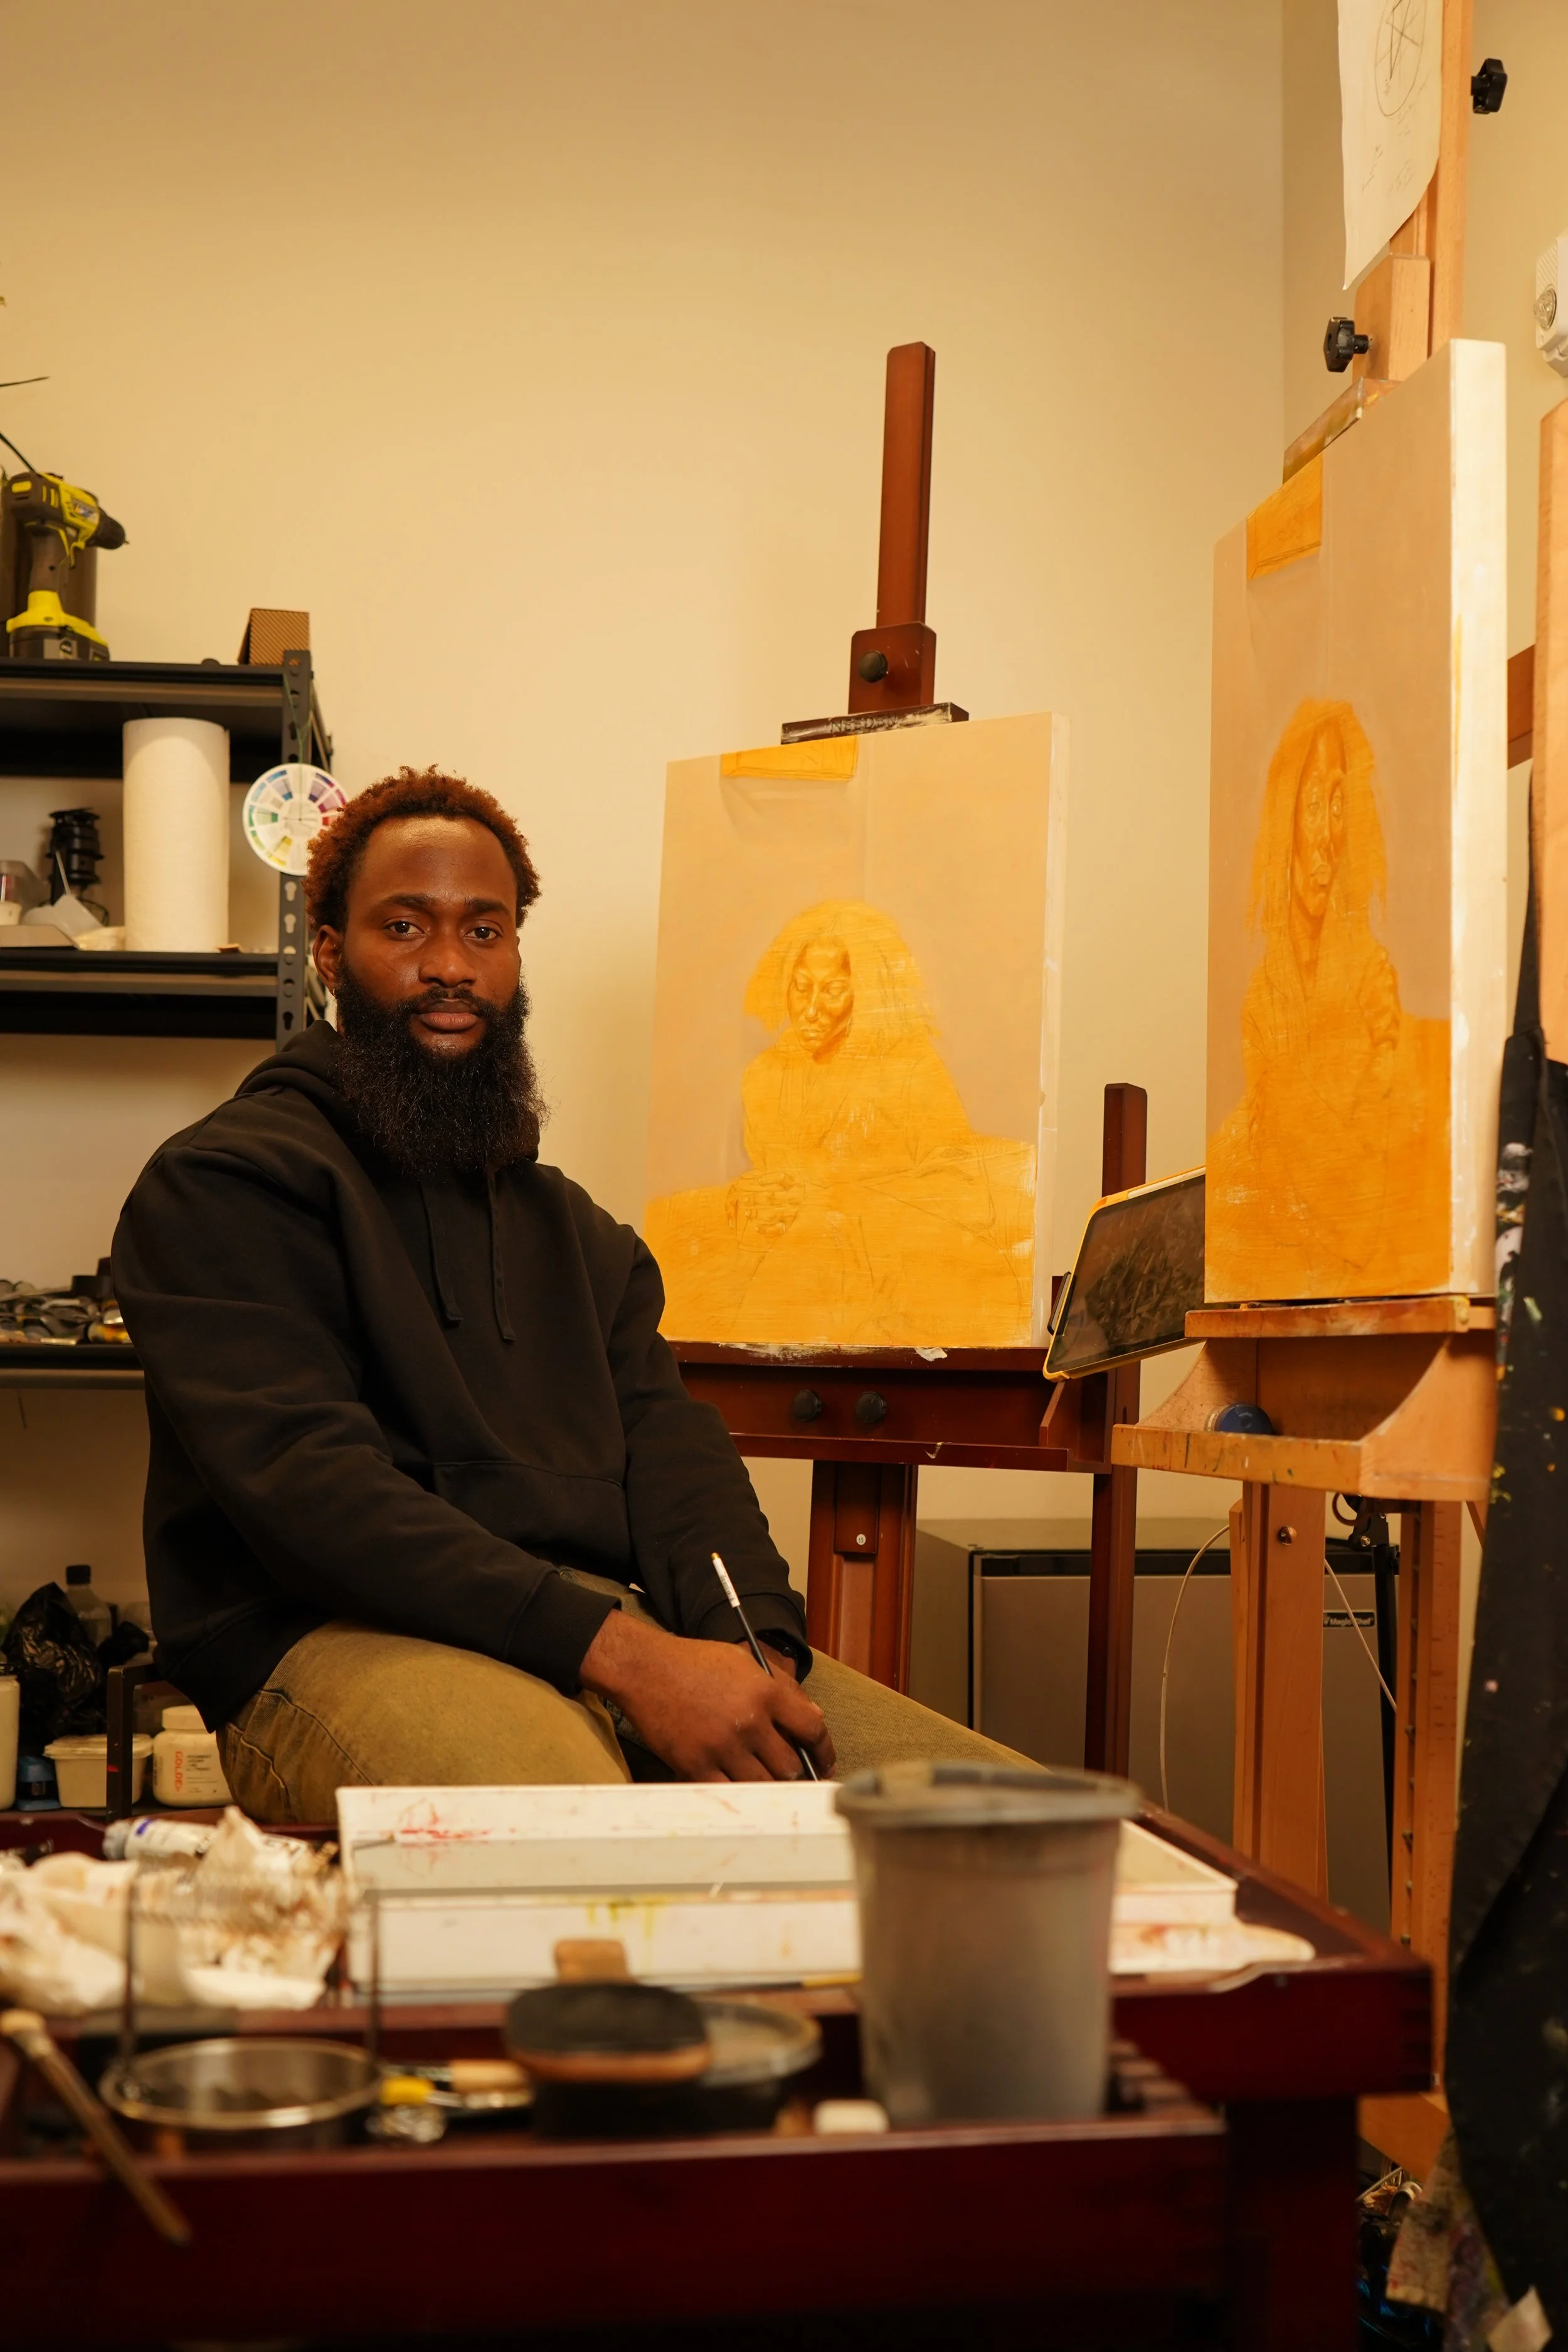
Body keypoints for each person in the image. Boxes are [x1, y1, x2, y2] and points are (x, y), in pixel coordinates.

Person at [113, 769, 1020, 1821]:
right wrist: (632, 1661)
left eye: (484, 932)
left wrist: (748, 1651)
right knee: (576, 1828)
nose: (449, 966)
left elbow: (678, 1461)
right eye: (404, 927)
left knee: (998, 1823)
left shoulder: (581, 1237)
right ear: (329, 953)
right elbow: (317, 1498)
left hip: (605, 1632)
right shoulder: (227, 1184)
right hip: (326, 1635)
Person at [644, 899, 1035, 1345]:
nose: (810, 1008)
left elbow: (963, 1191)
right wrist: (750, 1198)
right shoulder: (765, 1076)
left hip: (887, 1275)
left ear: (863, 993)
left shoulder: (910, 1068)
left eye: (832, 991)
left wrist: (835, 1203)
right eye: (801, 987)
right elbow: (773, 1178)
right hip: (796, 1267)